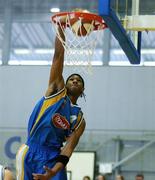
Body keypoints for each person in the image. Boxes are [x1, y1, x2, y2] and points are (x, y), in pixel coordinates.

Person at [16, 26, 86, 180]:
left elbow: (69, 147)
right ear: (65, 85)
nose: (75, 80)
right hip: (32, 149)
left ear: (82, 90)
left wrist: (54, 171)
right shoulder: (56, 92)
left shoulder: (80, 120)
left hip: (54, 157)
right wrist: (61, 27)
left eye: (79, 80)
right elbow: (58, 56)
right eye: (71, 79)